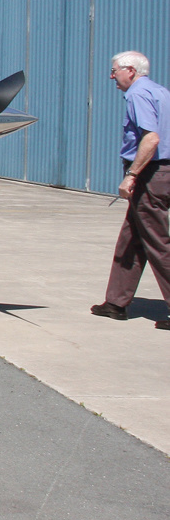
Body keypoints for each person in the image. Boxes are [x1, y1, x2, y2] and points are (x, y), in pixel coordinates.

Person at [91, 51, 170, 328]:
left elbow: (151, 138)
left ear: (131, 71)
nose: (111, 76)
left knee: (158, 243)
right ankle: (116, 302)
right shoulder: (161, 92)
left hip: (151, 174)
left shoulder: (138, 94)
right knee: (131, 241)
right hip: (160, 172)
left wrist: (132, 175)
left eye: (115, 71)